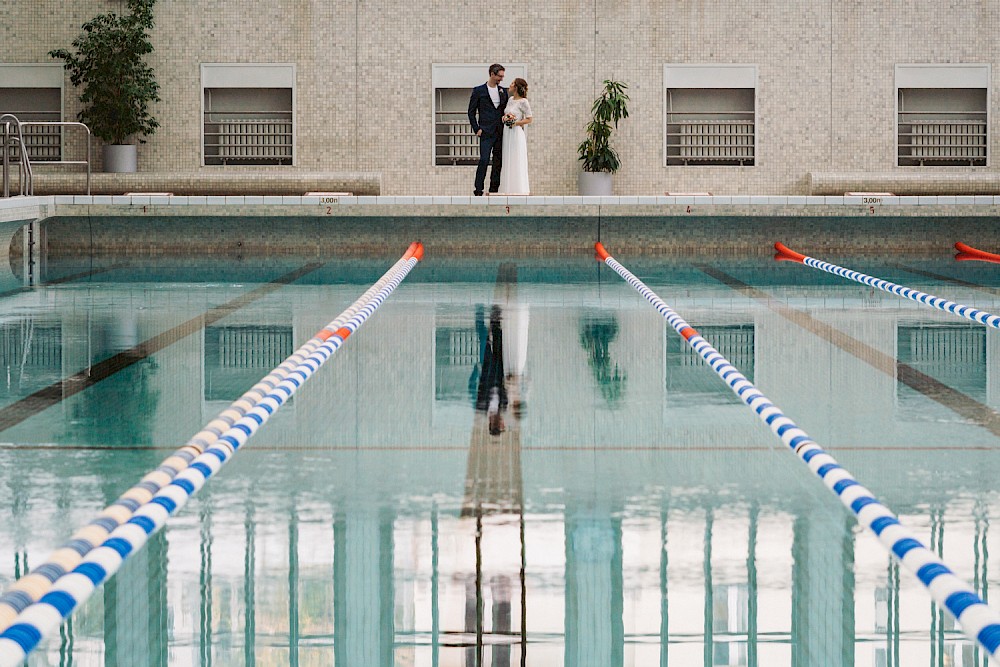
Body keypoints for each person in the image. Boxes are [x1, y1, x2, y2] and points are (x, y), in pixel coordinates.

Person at [468, 64, 508, 196]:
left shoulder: (503, 91)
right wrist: (476, 128)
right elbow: (471, 112)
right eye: (499, 76)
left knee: (498, 161)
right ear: (492, 74)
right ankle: (478, 188)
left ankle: (493, 189)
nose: (501, 79)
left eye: (502, 76)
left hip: (500, 132)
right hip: (485, 132)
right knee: (484, 159)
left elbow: (505, 109)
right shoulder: (478, 90)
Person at [499, 78, 532, 195]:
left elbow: (529, 119)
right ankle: (507, 187)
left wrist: (515, 123)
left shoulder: (523, 102)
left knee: (516, 156)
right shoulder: (510, 99)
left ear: (517, 87)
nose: (510, 85)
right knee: (507, 156)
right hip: (507, 132)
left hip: (516, 131)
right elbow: (506, 113)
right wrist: (505, 118)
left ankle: (518, 188)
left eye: (512, 83)